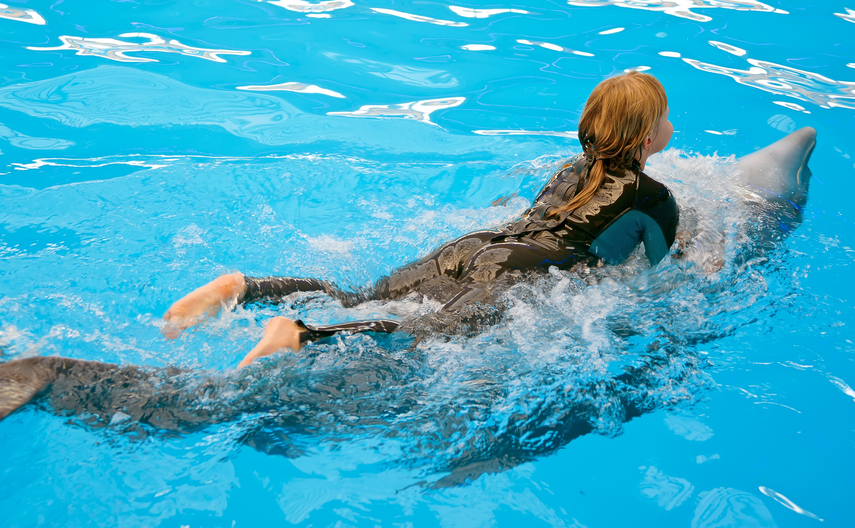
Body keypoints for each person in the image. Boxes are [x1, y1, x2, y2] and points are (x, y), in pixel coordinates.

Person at [162, 71, 677, 367]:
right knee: (429, 330)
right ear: (650, 138)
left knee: (357, 295)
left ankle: (244, 286)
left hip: (473, 246)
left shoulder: (572, 168)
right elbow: (660, 270)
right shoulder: (653, 198)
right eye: (665, 118)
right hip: (515, 270)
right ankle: (303, 333)